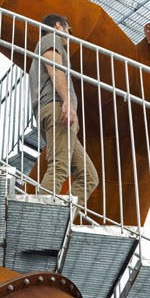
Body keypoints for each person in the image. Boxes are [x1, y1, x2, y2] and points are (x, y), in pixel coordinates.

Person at [27, 14, 99, 211]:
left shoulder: (49, 42)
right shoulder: (51, 39)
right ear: (58, 25)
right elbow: (55, 70)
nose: (69, 35)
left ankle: (62, 218)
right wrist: (67, 101)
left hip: (59, 111)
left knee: (89, 177)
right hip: (58, 108)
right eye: (69, 29)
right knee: (59, 167)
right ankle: (40, 217)